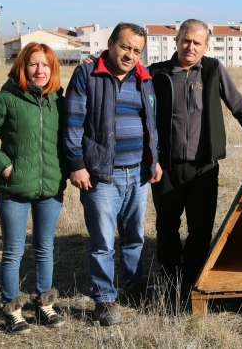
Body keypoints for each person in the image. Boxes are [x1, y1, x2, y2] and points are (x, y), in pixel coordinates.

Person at [148, 19, 242, 295]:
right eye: (186, 40)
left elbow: (238, 105)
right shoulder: (157, 73)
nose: (190, 47)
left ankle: (193, 279)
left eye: (197, 42)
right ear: (177, 40)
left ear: (206, 46)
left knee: (201, 228)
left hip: (203, 167)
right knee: (167, 227)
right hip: (166, 167)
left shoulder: (213, 70)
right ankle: (170, 279)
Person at [63, 23, 161, 326]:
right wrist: (76, 164)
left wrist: (153, 160)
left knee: (134, 236)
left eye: (137, 50)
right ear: (110, 44)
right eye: (125, 47)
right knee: (103, 241)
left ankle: (132, 286)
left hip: (139, 173)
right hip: (102, 175)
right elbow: (72, 124)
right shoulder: (87, 74)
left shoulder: (144, 79)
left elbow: (150, 125)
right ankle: (104, 300)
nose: (130, 55)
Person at [0, 43, 67, 334]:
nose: (40, 70)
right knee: (13, 251)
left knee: (45, 248)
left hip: (50, 188)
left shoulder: (58, 101)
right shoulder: (7, 98)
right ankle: (12, 309)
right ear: (22, 67)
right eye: (33, 64)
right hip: (14, 190)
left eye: (45, 65)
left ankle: (45, 304)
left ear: (53, 70)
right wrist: (4, 165)